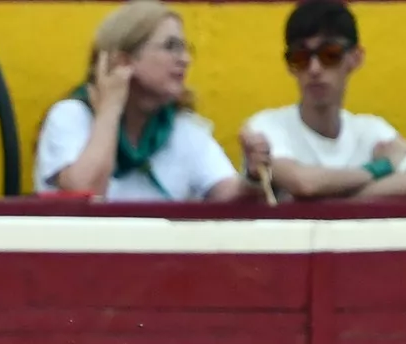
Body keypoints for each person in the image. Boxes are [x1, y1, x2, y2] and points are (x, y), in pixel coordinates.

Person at [36, 2, 250, 202]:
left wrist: (255, 177)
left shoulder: (181, 128)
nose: (185, 59)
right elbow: (86, 195)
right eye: (171, 46)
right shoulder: (71, 116)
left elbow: (230, 196)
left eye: (185, 48)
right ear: (124, 60)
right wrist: (110, 107)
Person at [237, 1, 406, 201]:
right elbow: (304, 184)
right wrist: (379, 169)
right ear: (290, 66)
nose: (314, 69)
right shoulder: (266, 126)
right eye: (301, 57)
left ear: (355, 58)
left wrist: (329, 203)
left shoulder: (372, 130)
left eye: (329, 54)